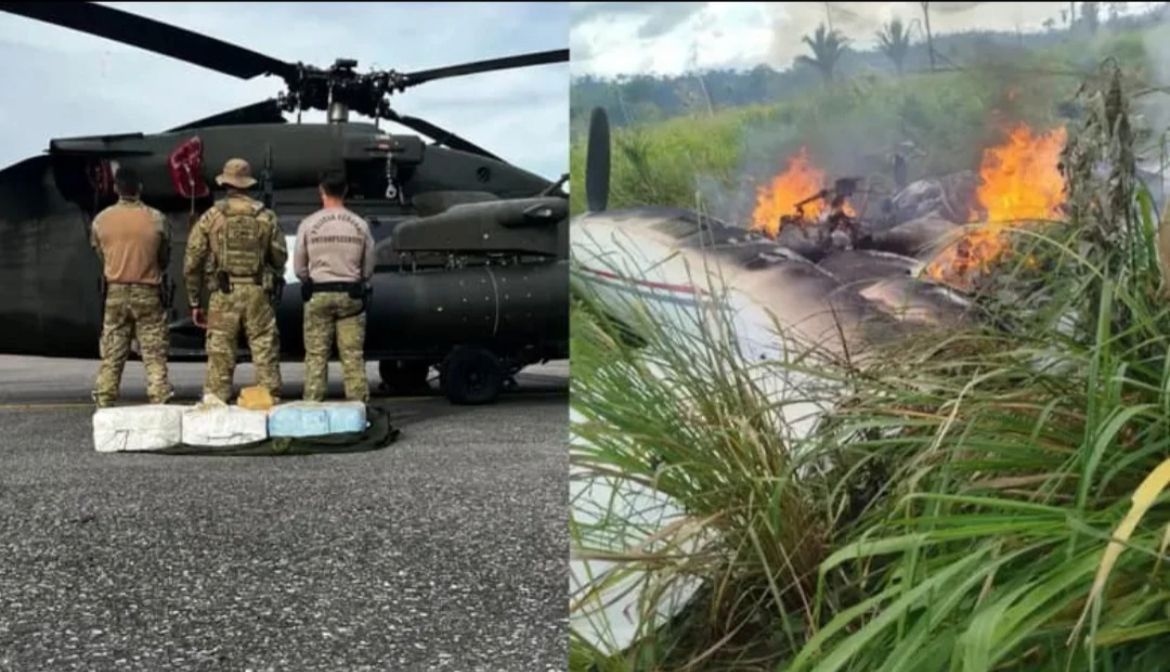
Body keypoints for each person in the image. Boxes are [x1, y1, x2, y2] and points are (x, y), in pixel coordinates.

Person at [183, 158, 287, 403]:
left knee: (220, 355)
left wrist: (195, 301)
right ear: (248, 184)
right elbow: (280, 257)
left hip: (223, 293)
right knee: (264, 351)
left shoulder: (211, 217)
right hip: (257, 293)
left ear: (226, 183)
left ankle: (216, 408)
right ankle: (270, 404)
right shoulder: (266, 216)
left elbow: (191, 262)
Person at [90, 166, 175, 407]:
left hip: (115, 291)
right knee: (154, 351)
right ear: (140, 188)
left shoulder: (101, 220)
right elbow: (164, 257)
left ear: (116, 188)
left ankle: (105, 398)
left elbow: (100, 254)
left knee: (112, 351)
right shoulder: (156, 218)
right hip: (147, 292)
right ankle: (159, 396)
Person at [293, 170, 376, 403]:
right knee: (352, 356)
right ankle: (359, 409)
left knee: (316, 357)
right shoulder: (360, 225)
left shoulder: (308, 224)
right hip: (351, 295)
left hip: (319, 294)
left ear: (322, 191)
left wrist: (307, 279)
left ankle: (312, 405)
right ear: (346, 191)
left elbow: (299, 265)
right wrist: (360, 279)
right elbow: (369, 265)